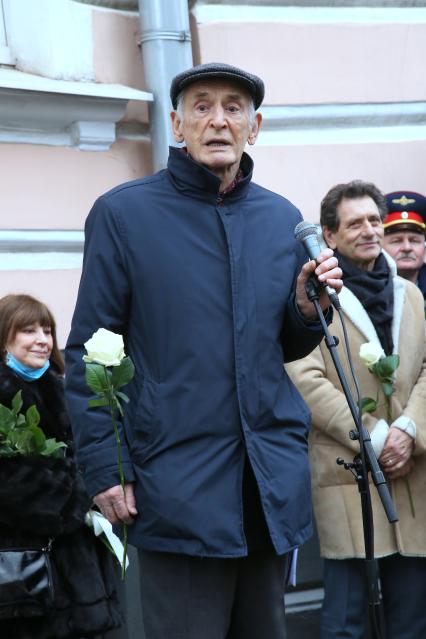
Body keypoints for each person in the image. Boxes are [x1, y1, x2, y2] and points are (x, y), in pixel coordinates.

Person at [65, 62, 342, 639]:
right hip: (175, 486)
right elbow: (92, 353)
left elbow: (286, 345)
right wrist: (104, 468)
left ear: (254, 126)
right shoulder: (124, 214)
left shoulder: (280, 219)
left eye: (234, 108)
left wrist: (306, 310)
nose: (218, 120)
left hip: (265, 486)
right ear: (176, 124)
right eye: (202, 106)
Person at [286, 180, 426, 639]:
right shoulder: (314, 293)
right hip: (351, 477)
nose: (369, 231)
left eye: (373, 220)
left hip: (412, 474)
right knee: (345, 620)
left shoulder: (410, 294)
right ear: (329, 234)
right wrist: (379, 437)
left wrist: (409, 428)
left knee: (412, 618)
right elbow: (306, 380)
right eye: (354, 223)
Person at [0, 294, 122, 639]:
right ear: (3, 336)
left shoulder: (68, 390)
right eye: (28, 330)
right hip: (24, 581)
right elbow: (13, 484)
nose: (42, 339)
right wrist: (84, 491)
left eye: (47, 330)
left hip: (80, 578)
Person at [382, 191, 426, 301]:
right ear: (380, 247)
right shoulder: (367, 290)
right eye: (396, 241)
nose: (407, 248)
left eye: (414, 241)